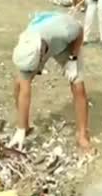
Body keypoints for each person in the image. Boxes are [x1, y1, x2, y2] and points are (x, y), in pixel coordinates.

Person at [9, 11, 92, 152]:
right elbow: (25, 91)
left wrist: (73, 58)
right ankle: (24, 127)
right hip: (39, 44)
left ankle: (82, 135)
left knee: (78, 87)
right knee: (20, 83)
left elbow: (79, 31)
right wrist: (20, 130)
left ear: (41, 55)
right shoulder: (26, 45)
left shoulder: (65, 30)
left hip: (66, 46)